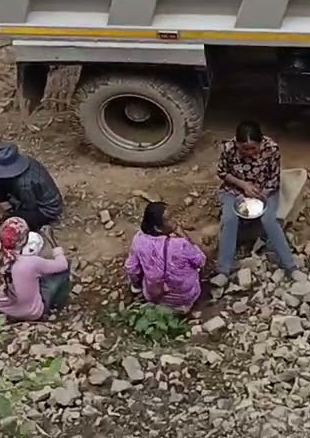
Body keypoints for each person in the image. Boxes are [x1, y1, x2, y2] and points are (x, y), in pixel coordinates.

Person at [215, 121, 297, 277]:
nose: (250, 152)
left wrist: (262, 196)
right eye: (244, 149)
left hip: (264, 190)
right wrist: (243, 185)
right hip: (233, 190)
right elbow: (222, 172)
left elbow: (274, 178)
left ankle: (290, 266)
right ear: (237, 144)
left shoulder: (272, 149)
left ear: (261, 143)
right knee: (229, 219)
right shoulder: (229, 149)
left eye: (253, 148)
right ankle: (223, 269)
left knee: (269, 220)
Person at [125, 202, 207, 313]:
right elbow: (201, 261)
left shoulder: (139, 240)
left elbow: (131, 268)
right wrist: (184, 236)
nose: (175, 220)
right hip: (186, 298)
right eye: (169, 219)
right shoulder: (180, 244)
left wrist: (137, 286)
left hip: (155, 295)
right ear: (158, 228)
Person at [0, 217, 72, 322]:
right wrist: (52, 241)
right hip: (31, 313)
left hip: (4, 308)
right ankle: (59, 303)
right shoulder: (30, 262)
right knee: (63, 269)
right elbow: (63, 264)